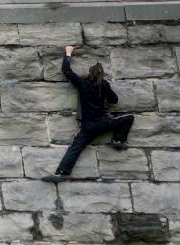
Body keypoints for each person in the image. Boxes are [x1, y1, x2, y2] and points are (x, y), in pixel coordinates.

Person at [43, 45, 133, 182]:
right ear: (101, 74)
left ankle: (61, 173)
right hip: (104, 122)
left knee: (75, 148)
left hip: (88, 126)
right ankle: (118, 140)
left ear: (89, 73)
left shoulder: (82, 83)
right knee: (128, 118)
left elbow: (66, 71)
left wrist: (68, 53)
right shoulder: (104, 85)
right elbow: (114, 100)